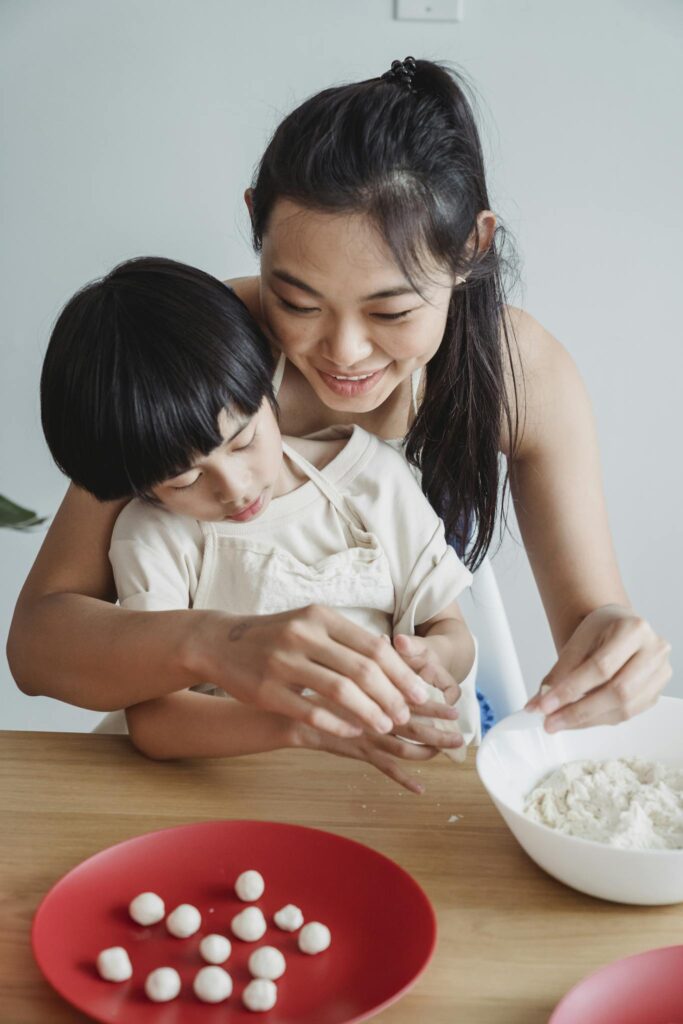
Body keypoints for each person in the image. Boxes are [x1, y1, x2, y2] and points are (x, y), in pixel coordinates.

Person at [8, 58, 670, 736]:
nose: (344, 353)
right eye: (296, 302)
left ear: (473, 244)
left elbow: (590, 622)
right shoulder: (208, 359)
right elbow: (37, 643)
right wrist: (217, 644)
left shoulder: (517, 374)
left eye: (391, 312)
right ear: (254, 226)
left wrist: (614, 645)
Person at [38, 257, 480, 791]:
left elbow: (450, 632)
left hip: (371, 789)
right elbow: (157, 724)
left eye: (245, 441)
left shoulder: (372, 481)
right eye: (183, 481)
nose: (234, 487)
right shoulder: (153, 536)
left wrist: (433, 662)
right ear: (141, 484)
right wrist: (305, 726)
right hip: (217, 790)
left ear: (270, 388)